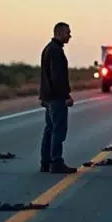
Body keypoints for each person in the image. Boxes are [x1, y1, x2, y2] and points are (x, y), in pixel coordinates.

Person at [38, 22, 77, 174]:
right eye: (68, 33)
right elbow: (57, 77)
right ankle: (56, 161)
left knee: (49, 129)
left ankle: (45, 162)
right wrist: (66, 96)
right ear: (59, 33)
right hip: (55, 97)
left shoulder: (49, 49)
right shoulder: (55, 51)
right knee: (58, 130)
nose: (70, 36)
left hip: (49, 96)